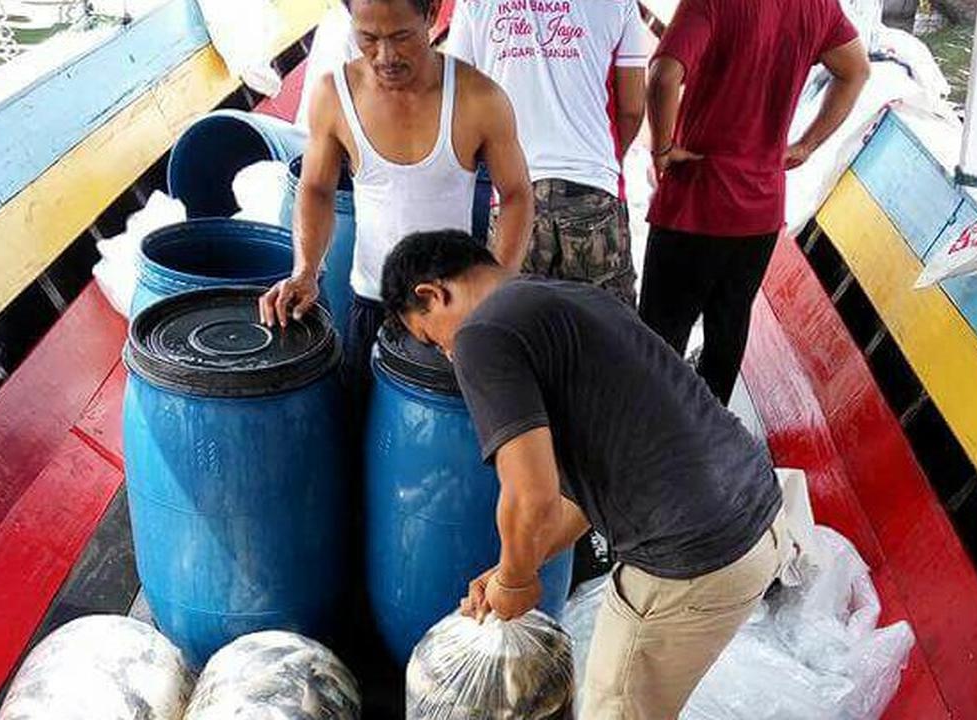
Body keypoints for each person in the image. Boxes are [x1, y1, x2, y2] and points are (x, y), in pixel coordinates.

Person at [381, 229, 787, 719]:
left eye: (431, 337)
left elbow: (531, 494)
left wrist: (516, 580)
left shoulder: (481, 333)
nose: (447, 353)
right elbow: (580, 498)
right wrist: (511, 569)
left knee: (611, 709)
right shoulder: (570, 299)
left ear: (433, 294)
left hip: (692, 555)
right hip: (758, 522)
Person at [259, 0, 534, 404]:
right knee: (361, 437)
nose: (385, 56)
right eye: (368, 38)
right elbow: (316, 189)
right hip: (369, 304)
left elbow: (516, 196)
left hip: (451, 312)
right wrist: (305, 271)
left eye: (401, 37)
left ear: (432, 14)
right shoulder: (333, 95)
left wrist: (492, 290)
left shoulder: (479, 97)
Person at [639, 0, 870, 405]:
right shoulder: (817, 6)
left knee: (660, 340)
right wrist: (807, 145)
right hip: (760, 210)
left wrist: (661, 149)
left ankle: (649, 449)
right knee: (727, 329)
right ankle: (712, 445)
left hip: (697, 199)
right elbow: (855, 71)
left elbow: (663, 75)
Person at [446, 0, 649, 305]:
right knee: (606, 337)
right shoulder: (620, 3)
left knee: (516, 334)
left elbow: (456, 95)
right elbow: (632, 109)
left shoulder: (473, 4)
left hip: (513, 198)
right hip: (593, 191)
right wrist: (605, 159)